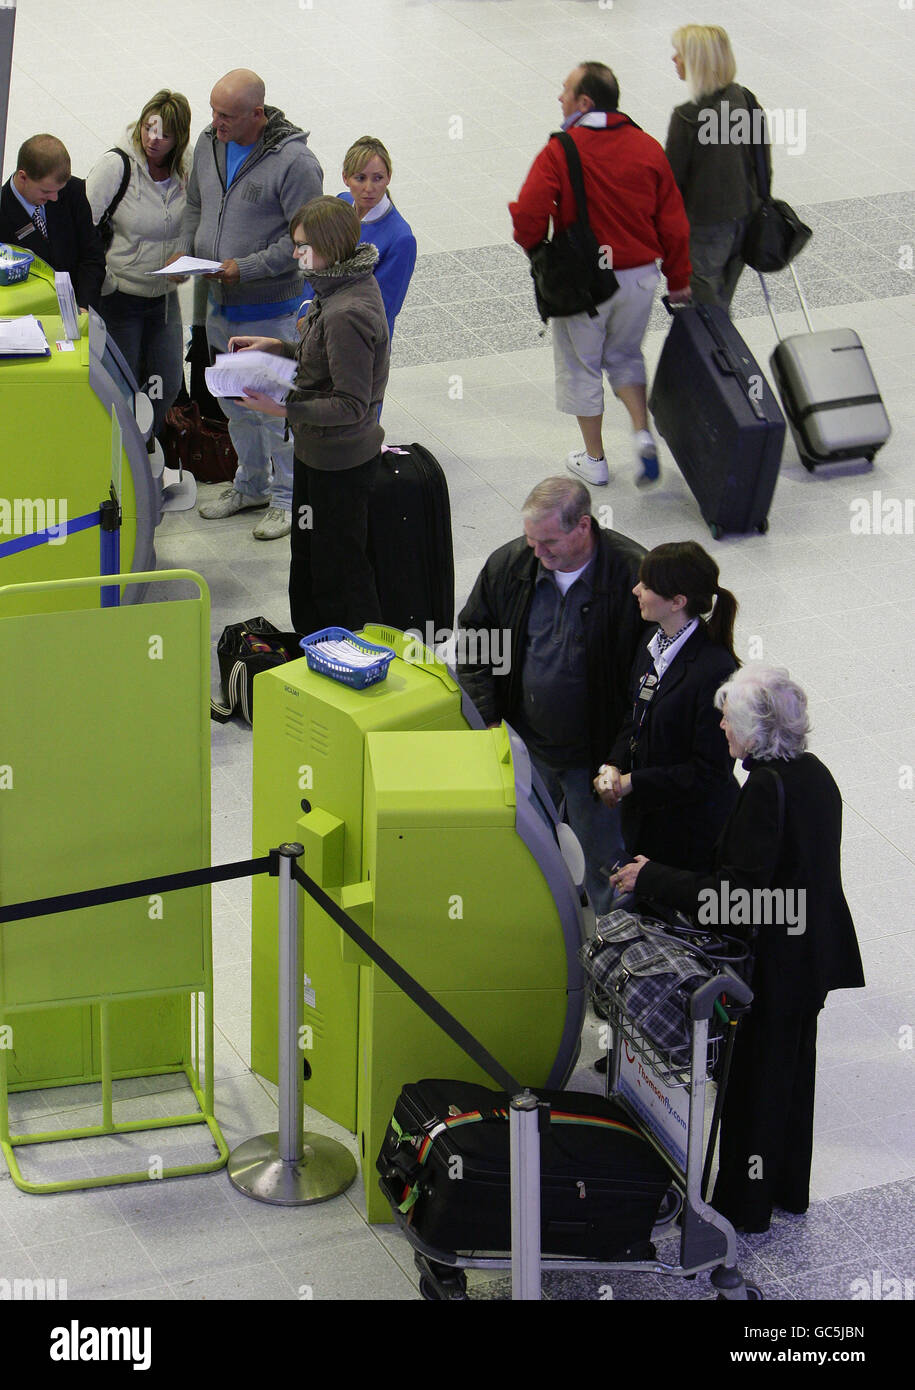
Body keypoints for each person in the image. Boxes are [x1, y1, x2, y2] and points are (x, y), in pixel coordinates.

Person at [611, 665, 865, 1233]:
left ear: (755, 729)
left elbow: (737, 901)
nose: (721, 724)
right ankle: (784, 1190)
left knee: (754, 1087)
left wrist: (652, 878)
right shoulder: (813, 774)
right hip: (813, 953)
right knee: (793, 1076)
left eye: (729, 717)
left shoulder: (765, 790)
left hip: (775, 965)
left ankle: (743, 1207)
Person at [456, 476, 647, 915]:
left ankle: (616, 954)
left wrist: (620, 757)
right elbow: (474, 643)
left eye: (549, 543)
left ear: (583, 526)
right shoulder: (510, 565)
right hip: (527, 748)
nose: (537, 555)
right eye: (531, 541)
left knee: (609, 867)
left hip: (596, 760)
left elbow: (648, 682)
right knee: (526, 849)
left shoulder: (632, 577)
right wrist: (489, 723)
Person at [509, 62, 691, 490]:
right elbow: (675, 223)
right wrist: (679, 277)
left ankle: (595, 460)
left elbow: (530, 211)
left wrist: (536, 247)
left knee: (581, 365)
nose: (560, 97)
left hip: (588, 283)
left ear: (584, 101)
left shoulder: (562, 148)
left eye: (566, 90)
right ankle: (641, 432)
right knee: (626, 355)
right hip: (641, 278)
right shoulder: (647, 147)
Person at [228, 196, 389, 634]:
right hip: (318, 454)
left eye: (303, 246)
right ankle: (312, 647)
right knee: (311, 563)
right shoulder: (338, 287)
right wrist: (278, 347)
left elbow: (350, 404)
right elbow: (327, 362)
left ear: (330, 247)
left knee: (336, 573)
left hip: (340, 463)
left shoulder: (347, 311)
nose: (297, 254)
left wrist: (279, 406)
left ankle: (350, 655)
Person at [175, 69, 323, 541]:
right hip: (220, 306)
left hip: (269, 310)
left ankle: (287, 496)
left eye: (227, 115)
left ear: (256, 114)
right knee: (237, 406)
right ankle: (251, 484)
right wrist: (187, 250)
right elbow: (196, 206)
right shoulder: (209, 143)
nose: (215, 122)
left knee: (275, 409)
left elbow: (305, 240)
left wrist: (249, 267)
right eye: (213, 111)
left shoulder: (296, 163)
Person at [595, 541, 740, 872]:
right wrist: (613, 765)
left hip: (689, 833)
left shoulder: (715, 670)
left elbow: (710, 772)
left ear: (677, 602)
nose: (636, 590)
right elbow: (635, 717)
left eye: (646, 586)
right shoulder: (651, 644)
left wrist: (636, 781)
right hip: (647, 819)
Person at [86, 91, 191, 440]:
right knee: (122, 388)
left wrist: (186, 254)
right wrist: (100, 283)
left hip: (163, 299)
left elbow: (197, 219)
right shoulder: (116, 166)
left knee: (166, 383)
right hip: (119, 297)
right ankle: (121, 463)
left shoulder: (186, 167)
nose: (152, 139)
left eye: (164, 134)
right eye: (148, 128)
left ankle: (149, 453)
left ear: (180, 138)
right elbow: (84, 226)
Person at [665, 24, 771, 313]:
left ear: (698, 61)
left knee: (702, 315)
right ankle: (724, 353)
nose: (674, 59)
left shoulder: (688, 117)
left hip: (704, 229)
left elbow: (670, 184)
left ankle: (716, 357)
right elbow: (762, 159)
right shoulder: (744, 99)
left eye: (680, 54)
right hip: (744, 219)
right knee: (720, 303)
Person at [297, 136, 416, 344]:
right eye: (360, 178)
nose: (369, 188)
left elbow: (383, 307)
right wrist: (305, 309)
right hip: (316, 331)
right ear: (345, 178)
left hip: (357, 342)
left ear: (388, 177)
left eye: (377, 178)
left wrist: (321, 324)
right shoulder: (340, 204)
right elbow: (311, 264)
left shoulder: (400, 238)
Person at [0, 134, 105, 311]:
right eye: (46, 191)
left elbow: (92, 255)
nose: (54, 198)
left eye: (58, 190)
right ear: (23, 177)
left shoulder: (73, 191)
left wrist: (84, 306)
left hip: (77, 310)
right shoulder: (3, 210)